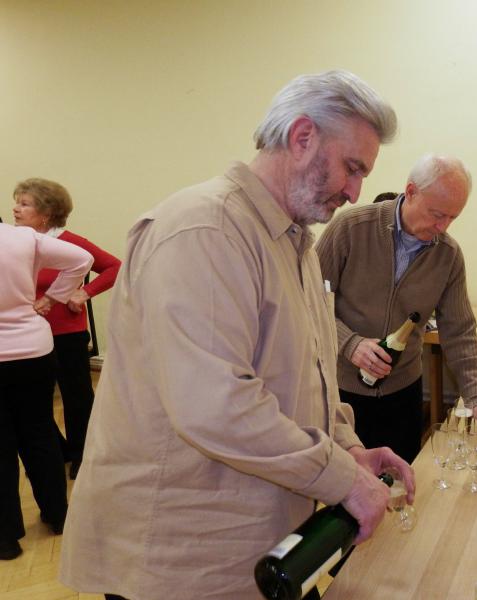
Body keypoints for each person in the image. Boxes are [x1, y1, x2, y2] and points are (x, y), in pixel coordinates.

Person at [59, 70, 414, 600]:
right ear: (302, 137)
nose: (355, 191)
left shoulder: (294, 244)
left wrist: (348, 450)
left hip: (258, 546)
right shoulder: (206, 230)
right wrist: (343, 479)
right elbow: (215, 405)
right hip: (182, 561)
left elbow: (308, 376)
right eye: (352, 167)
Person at [316, 154, 477, 463]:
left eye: (452, 218)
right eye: (437, 214)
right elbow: (306, 301)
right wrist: (350, 344)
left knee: (401, 479)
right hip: (340, 393)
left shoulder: (448, 255)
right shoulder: (350, 228)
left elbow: (460, 333)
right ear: (411, 191)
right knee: (345, 480)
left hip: (403, 395)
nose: (442, 226)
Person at [13, 178, 122, 479]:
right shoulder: (17, 243)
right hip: (29, 335)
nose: (16, 209)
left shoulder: (71, 242)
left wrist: (84, 293)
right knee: (31, 399)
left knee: (76, 397)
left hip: (67, 334)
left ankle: (82, 453)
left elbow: (115, 267)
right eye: (16, 203)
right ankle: (59, 450)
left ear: (46, 212)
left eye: (24, 204)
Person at [0, 222, 93, 560]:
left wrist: (51, 296)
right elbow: (82, 259)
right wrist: (53, 297)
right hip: (33, 349)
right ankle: (58, 515)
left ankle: (6, 537)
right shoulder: (24, 237)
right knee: (39, 432)